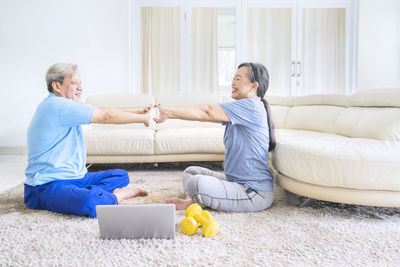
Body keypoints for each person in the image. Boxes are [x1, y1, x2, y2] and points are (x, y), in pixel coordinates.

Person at [24, 63, 149, 218]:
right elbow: (105, 116)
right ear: (57, 86)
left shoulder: (65, 106)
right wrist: (142, 118)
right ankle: (119, 196)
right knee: (88, 202)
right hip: (46, 185)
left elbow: (102, 110)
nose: (80, 88)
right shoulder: (58, 106)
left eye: (80, 83)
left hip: (77, 178)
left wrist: (137, 112)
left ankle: (92, 195)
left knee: (120, 175)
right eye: (74, 83)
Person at [154, 62, 276, 212]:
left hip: (253, 192)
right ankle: (194, 200)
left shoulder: (252, 106)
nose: (233, 82)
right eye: (233, 78)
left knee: (196, 184)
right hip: (235, 182)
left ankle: (194, 200)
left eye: (238, 78)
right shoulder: (241, 109)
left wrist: (169, 112)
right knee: (191, 172)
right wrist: (171, 113)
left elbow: (206, 111)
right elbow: (203, 116)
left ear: (253, 86)